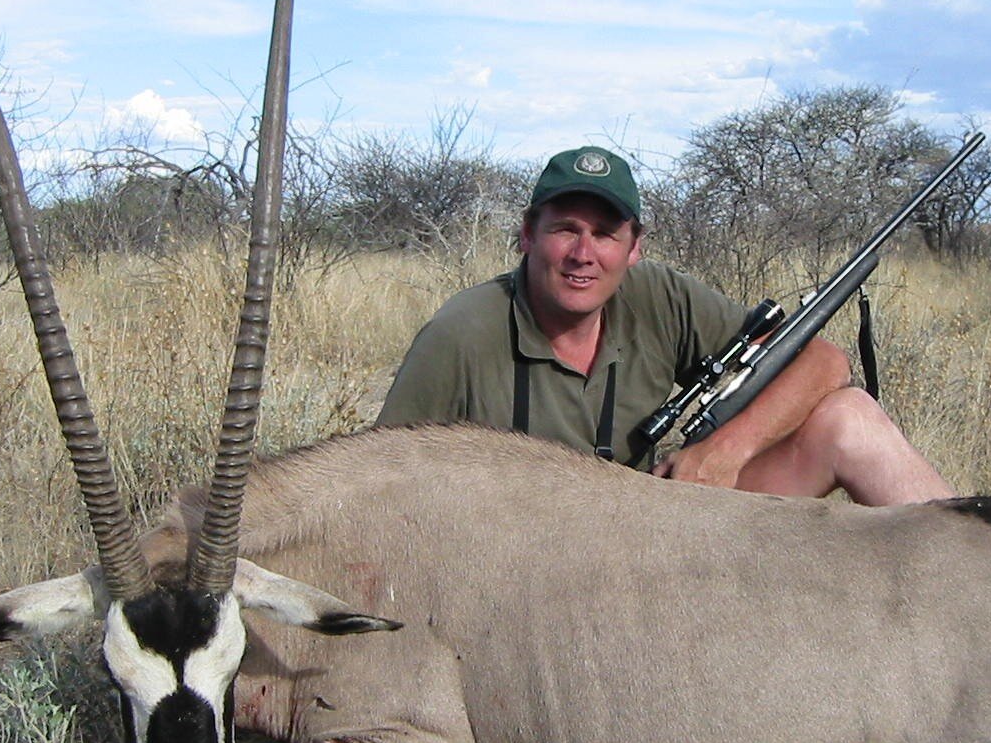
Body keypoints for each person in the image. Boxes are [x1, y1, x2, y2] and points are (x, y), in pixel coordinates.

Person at [376, 146, 952, 505]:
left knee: (850, 416)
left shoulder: (660, 295)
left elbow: (825, 362)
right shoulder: (462, 330)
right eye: (565, 229)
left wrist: (724, 451)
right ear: (528, 235)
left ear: (633, 249)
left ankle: (986, 585)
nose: (583, 252)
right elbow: (378, 477)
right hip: (528, 562)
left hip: (659, 529)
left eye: (606, 234)